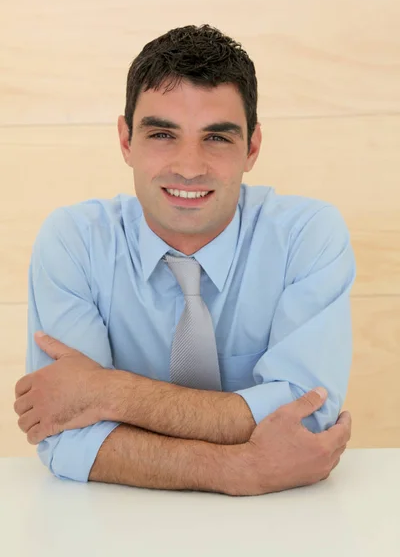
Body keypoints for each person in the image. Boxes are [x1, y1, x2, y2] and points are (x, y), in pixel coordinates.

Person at [14, 24, 354, 496]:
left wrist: (107, 392)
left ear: (252, 147)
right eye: (161, 134)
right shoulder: (74, 243)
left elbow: (305, 419)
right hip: (110, 526)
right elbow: (66, 436)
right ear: (126, 141)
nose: (189, 167)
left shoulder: (307, 236)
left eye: (216, 138)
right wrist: (240, 469)